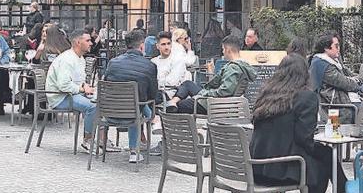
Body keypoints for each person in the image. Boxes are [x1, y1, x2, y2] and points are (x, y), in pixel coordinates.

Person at [250, 54, 363, 193]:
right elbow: (304, 139)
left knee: (326, 155)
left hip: (257, 169)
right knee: (323, 164)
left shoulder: (265, 96)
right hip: (283, 169)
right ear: (304, 74)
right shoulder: (306, 97)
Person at [45, 30, 113, 152]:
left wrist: (85, 87)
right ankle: (88, 140)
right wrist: (82, 88)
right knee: (92, 107)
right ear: (77, 42)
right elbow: (63, 85)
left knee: (101, 101)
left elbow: (77, 81)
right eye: (87, 40)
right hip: (60, 97)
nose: (91, 43)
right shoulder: (67, 59)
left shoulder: (80, 58)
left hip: (71, 94)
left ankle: (102, 140)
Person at [101, 29, 160, 163]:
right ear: (141, 46)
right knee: (138, 104)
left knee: (135, 103)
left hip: (109, 112)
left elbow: (106, 83)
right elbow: (153, 95)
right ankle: (135, 150)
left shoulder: (112, 63)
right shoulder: (149, 66)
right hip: (132, 113)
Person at [164, 35, 255, 114]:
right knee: (188, 84)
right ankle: (172, 102)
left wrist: (205, 93)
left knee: (180, 105)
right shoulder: (241, 65)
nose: (222, 52)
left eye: (223, 49)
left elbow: (224, 91)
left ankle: (172, 107)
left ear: (228, 50)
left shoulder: (233, 68)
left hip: (215, 104)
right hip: (218, 101)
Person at [310, 33, 361, 124]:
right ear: (326, 48)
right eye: (336, 46)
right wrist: (358, 82)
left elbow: (347, 72)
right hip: (334, 108)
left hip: (341, 103)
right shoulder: (322, 64)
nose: (339, 49)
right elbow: (345, 83)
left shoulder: (333, 60)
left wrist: (358, 78)